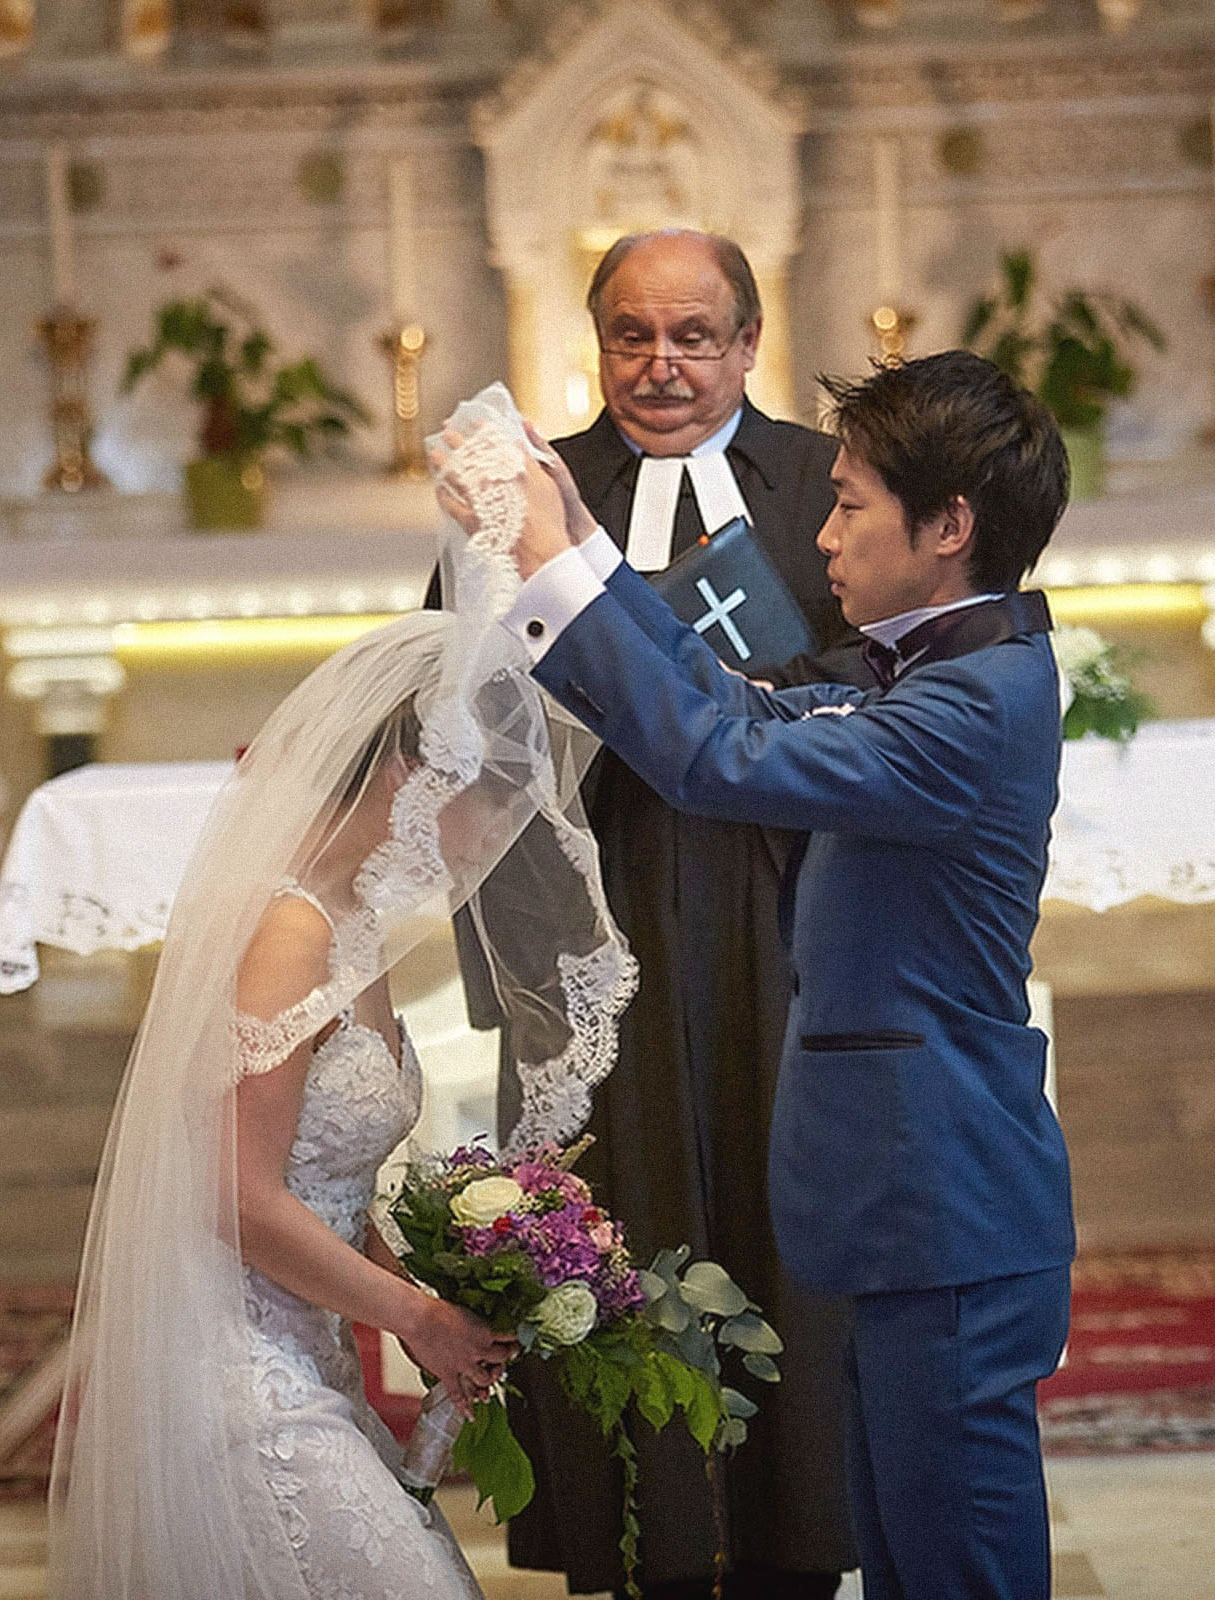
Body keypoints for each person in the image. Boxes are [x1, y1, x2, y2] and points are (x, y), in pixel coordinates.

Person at [458, 350, 1075, 1600]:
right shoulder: (927, 669)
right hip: (902, 1201)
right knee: (904, 1548)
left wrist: (554, 572)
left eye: (850, 505)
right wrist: (584, 544)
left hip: (942, 1199)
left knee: (955, 1559)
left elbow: (715, 758)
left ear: (949, 526)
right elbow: (726, 696)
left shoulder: (970, 705)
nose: (824, 533)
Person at [47, 450, 636, 1600]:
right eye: (488, 797)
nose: (492, 834)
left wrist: (434, 1304)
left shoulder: (355, 928)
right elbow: (233, 1192)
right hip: (236, 1378)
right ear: (416, 770)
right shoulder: (289, 938)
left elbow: (324, 1173)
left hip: (310, 1353)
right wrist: (419, 1311)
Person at [492, 230, 867, 1599]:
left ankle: (800, 1528)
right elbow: (451, 678)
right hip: (592, 912)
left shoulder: (830, 482)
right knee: (616, 1207)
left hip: (783, 908)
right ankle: (631, 1532)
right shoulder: (538, 493)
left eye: (694, 335)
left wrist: (749, 698)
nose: (662, 365)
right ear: (593, 344)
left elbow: (875, 666)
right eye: (632, 336)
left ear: (750, 342)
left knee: (782, 1205)